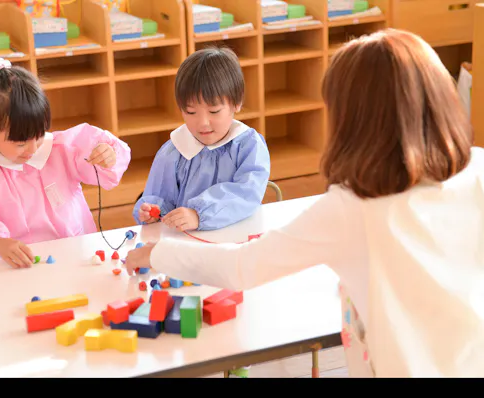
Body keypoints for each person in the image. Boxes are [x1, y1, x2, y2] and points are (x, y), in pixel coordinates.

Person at [124, 29, 484, 377]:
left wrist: (157, 254)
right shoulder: (478, 169)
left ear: (354, 120)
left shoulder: (351, 208)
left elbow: (243, 267)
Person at [0, 58, 131, 269]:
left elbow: (102, 163)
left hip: (75, 259)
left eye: (39, 135)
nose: (33, 149)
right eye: (21, 143)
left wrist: (107, 154)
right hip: (19, 268)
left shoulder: (61, 148)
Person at [132, 46, 270, 233]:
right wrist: (152, 212)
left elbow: (246, 193)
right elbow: (158, 199)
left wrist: (199, 214)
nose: (203, 123)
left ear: (236, 103)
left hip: (237, 239)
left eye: (214, 111)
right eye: (190, 112)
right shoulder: (173, 151)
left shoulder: (248, 146)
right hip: (186, 243)